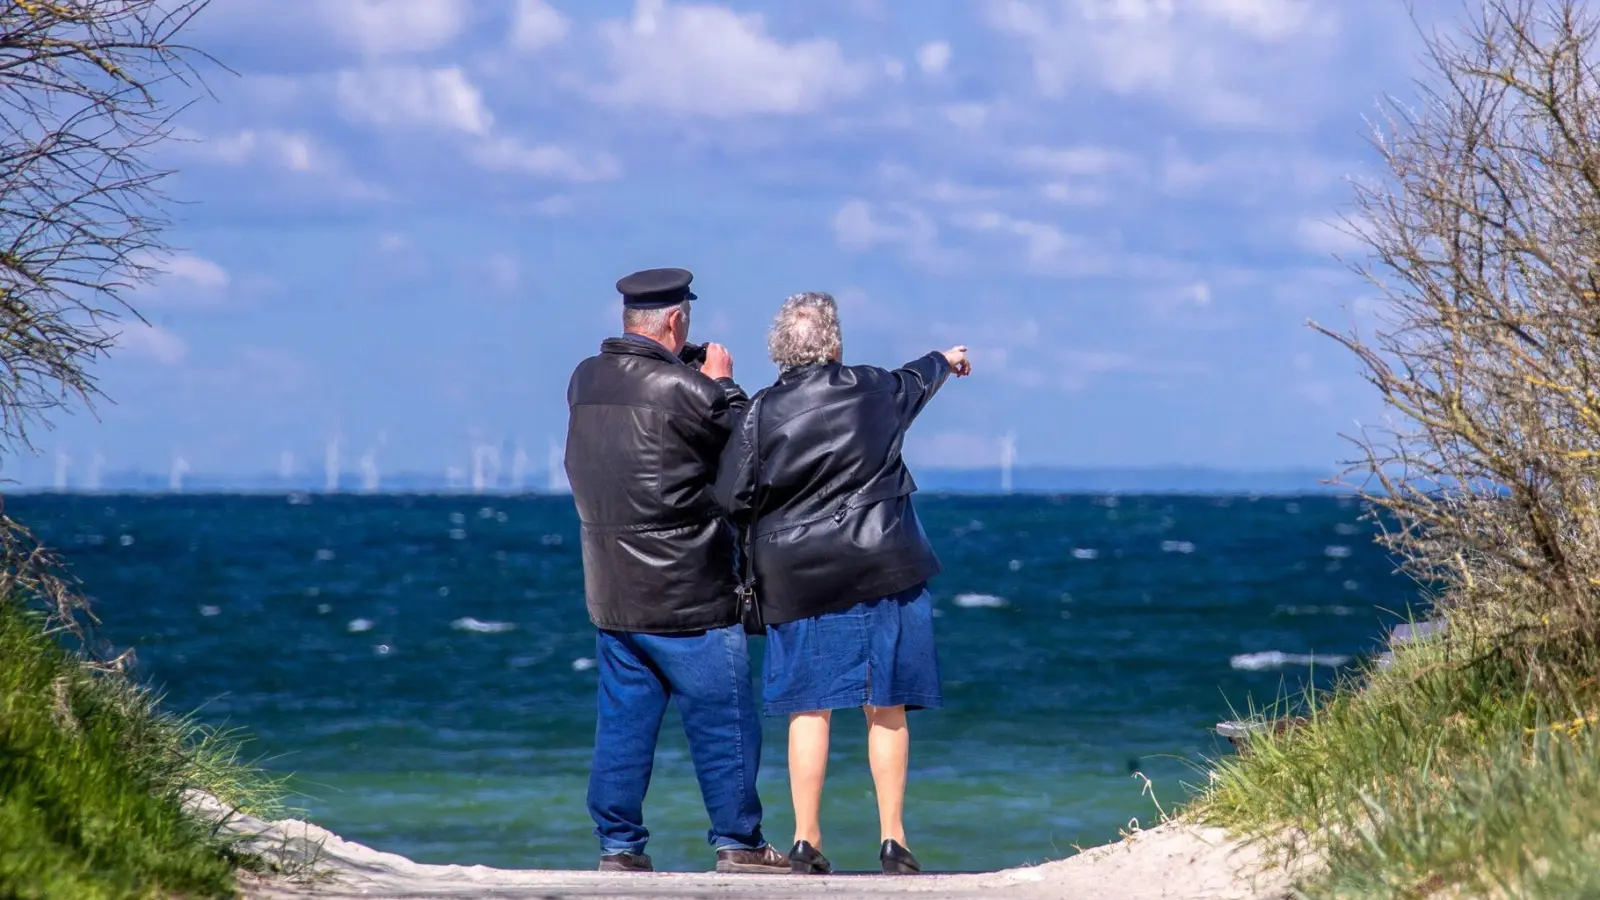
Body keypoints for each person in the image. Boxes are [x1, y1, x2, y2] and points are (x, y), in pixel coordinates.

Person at [714, 291, 970, 876]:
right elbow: (917, 379)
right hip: (885, 565)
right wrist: (946, 358)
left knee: (810, 707)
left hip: (798, 578)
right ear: (832, 342)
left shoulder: (760, 412)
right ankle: (893, 840)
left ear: (781, 346)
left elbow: (731, 497)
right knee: (887, 706)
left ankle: (804, 840)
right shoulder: (874, 387)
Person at [564, 267, 789, 875]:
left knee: (623, 727)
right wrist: (723, 382)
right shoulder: (688, 391)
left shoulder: (585, 379)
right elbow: (752, 444)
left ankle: (619, 847)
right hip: (689, 589)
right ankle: (738, 843)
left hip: (613, 590)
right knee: (725, 724)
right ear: (676, 320)